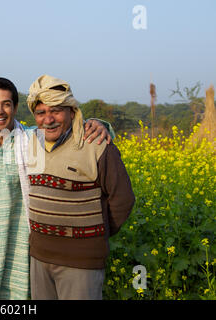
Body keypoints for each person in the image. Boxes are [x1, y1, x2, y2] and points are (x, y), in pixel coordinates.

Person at [0, 77, 113, 299]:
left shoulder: (34, 140)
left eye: (6, 104)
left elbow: (70, 133)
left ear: (16, 108)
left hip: (18, 246)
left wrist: (98, 125)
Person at [26, 74, 135, 300]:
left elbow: (123, 199)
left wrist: (94, 235)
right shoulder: (31, 143)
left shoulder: (96, 144)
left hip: (81, 263)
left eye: (56, 110)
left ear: (72, 112)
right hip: (39, 258)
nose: (48, 119)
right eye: (41, 113)